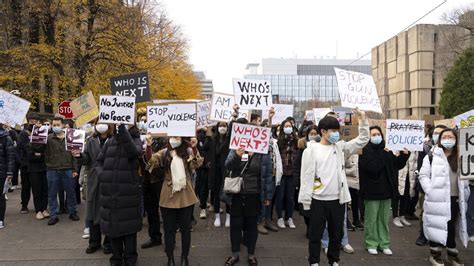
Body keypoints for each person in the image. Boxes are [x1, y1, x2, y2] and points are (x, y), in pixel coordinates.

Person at [299, 108, 369, 266]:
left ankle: (333, 260)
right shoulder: (311, 151)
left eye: (338, 131)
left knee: (336, 234)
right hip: (317, 200)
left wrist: (363, 119)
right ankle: (314, 261)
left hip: (337, 200)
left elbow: (362, 140)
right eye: (333, 131)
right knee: (315, 235)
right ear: (323, 131)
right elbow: (305, 177)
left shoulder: (340, 148)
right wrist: (305, 201)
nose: (337, 134)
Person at [148, 137, 202, 266]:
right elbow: (151, 161)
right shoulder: (164, 152)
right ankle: (170, 257)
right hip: (168, 194)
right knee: (169, 229)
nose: (175, 138)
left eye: (178, 136)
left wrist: (194, 148)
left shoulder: (188, 150)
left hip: (185, 194)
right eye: (173, 136)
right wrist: (149, 146)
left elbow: (197, 164)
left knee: (185, 229)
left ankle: (185, 257)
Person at [224, 122, 273, 266]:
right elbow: (227, 166)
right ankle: (235, 254)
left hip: (254, 194)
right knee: (235, 225)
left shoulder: (263, 152)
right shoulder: (236, 148)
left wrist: (267, 196)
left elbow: (268, 176)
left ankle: (251, 254)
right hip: (237, 194)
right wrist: (237, 156)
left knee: (252, 226)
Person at [419, 128, 469, 266]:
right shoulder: (432, 155)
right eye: (445, 137)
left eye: (451, 137)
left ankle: (452, 253)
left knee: (451, 226)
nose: (448, 140)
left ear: (456, 139)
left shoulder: (462, 156)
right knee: (436, 224)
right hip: (437, 197)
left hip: (455, 198)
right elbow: (423, 175)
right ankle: (435, 254)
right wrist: (430, 190)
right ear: (440, 139)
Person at [358, 126, 410, 256]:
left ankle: (384, 243)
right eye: (373, 134)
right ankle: (371, 243)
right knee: (371, 220)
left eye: (378, 134)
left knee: (383, 220)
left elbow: (396, 165)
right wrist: (384, 153)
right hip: (371, 191)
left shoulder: (386, 149)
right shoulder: (364, 150)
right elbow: (373, 168)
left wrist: (404, 155)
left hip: (387, 191)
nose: (376, 137)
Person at [96, 124, 143, 265]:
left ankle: (130, 259)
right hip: (110, 194)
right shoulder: (110, 141)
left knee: (129, 230)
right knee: (113, 229)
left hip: (128, 193)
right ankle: (116, 259)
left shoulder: (136, 140)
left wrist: (123, 130)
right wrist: (102, 175)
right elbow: (98, 161)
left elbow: (134, 152)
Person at [78, 122, 113, 254]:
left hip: (109, 176)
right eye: (99, 123)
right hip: (93, 178)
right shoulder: (91, 140)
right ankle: (94, 242)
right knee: (92, 210)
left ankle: (108, 242)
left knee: (108, 210)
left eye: (104, 122)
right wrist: (80, 156)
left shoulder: (114, 139)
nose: (101, 125)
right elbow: (86, 158)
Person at [415, 124, 447, 246]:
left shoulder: (452, 151)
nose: (438, 136)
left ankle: (441, 238)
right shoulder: (425, 149)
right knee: (425, 211)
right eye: (436, 133)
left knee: (443, 213)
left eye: (441, 133)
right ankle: (423, 235)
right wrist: (426, 188)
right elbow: (420, 170)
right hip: (428, 187)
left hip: (444, 189)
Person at [45, 117, 80, 225]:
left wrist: (75, 169)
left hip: (68, 169)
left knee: (70, 192)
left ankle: (72, 212)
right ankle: (54, 215)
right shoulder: (49, 138)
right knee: (52, 193)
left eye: (57, 125)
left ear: (63, 125)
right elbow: (41, 151)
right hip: (52, 169)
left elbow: (75, 155)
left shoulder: (70, 137)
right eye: (54, 125)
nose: (56, 127)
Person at [141, 136, 167, 249]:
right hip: (147, 179)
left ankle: (169, 239)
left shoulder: (166, 140)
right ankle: (155, 237)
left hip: (161, 180)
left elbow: (155, 159)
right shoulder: (143, 138)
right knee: (151, 211)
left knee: (166, 212)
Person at [275, 119, 299, 229]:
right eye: (286, 126)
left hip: (292, 173)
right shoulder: (278, 141)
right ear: (283, 128)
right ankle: (280, 218)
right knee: (280, 197)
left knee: (290, 197)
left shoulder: (296, 141)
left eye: (290, 126)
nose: (288, 128)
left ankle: (289, 218)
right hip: (281, 172)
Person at [209, 121, 231, 227]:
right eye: (220, 126)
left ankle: (228, 216)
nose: (222, 128)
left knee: (228, 192)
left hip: (226, 170)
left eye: (224, 126)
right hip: (215, 171)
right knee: (216, 194)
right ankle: (217, 216)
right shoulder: (213, 139)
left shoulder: (230, 139)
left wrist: (235, 115)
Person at [26, 121, 49, 220]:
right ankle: (38, 210)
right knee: (36, 190)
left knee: (45, 190)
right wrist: (38, 155)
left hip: (44, 168)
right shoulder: (29, 143)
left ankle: (44, 209)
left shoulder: (45, 142)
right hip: (34, 170)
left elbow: (46, 155)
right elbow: (30, 156)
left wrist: (38, 154)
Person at [392, 152, 417, 228]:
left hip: (409, 173)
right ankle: (395, 216)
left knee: (406, 194)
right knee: (396, 194)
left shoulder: (413, 148)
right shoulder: (397, 144)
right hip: (398, 172)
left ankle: (402, 215)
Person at [0, 124, 15, 229]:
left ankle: (0, 219)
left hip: (2, 172)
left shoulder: (6, 137)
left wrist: (9, 172)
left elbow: (10, 156)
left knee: (0, 196)